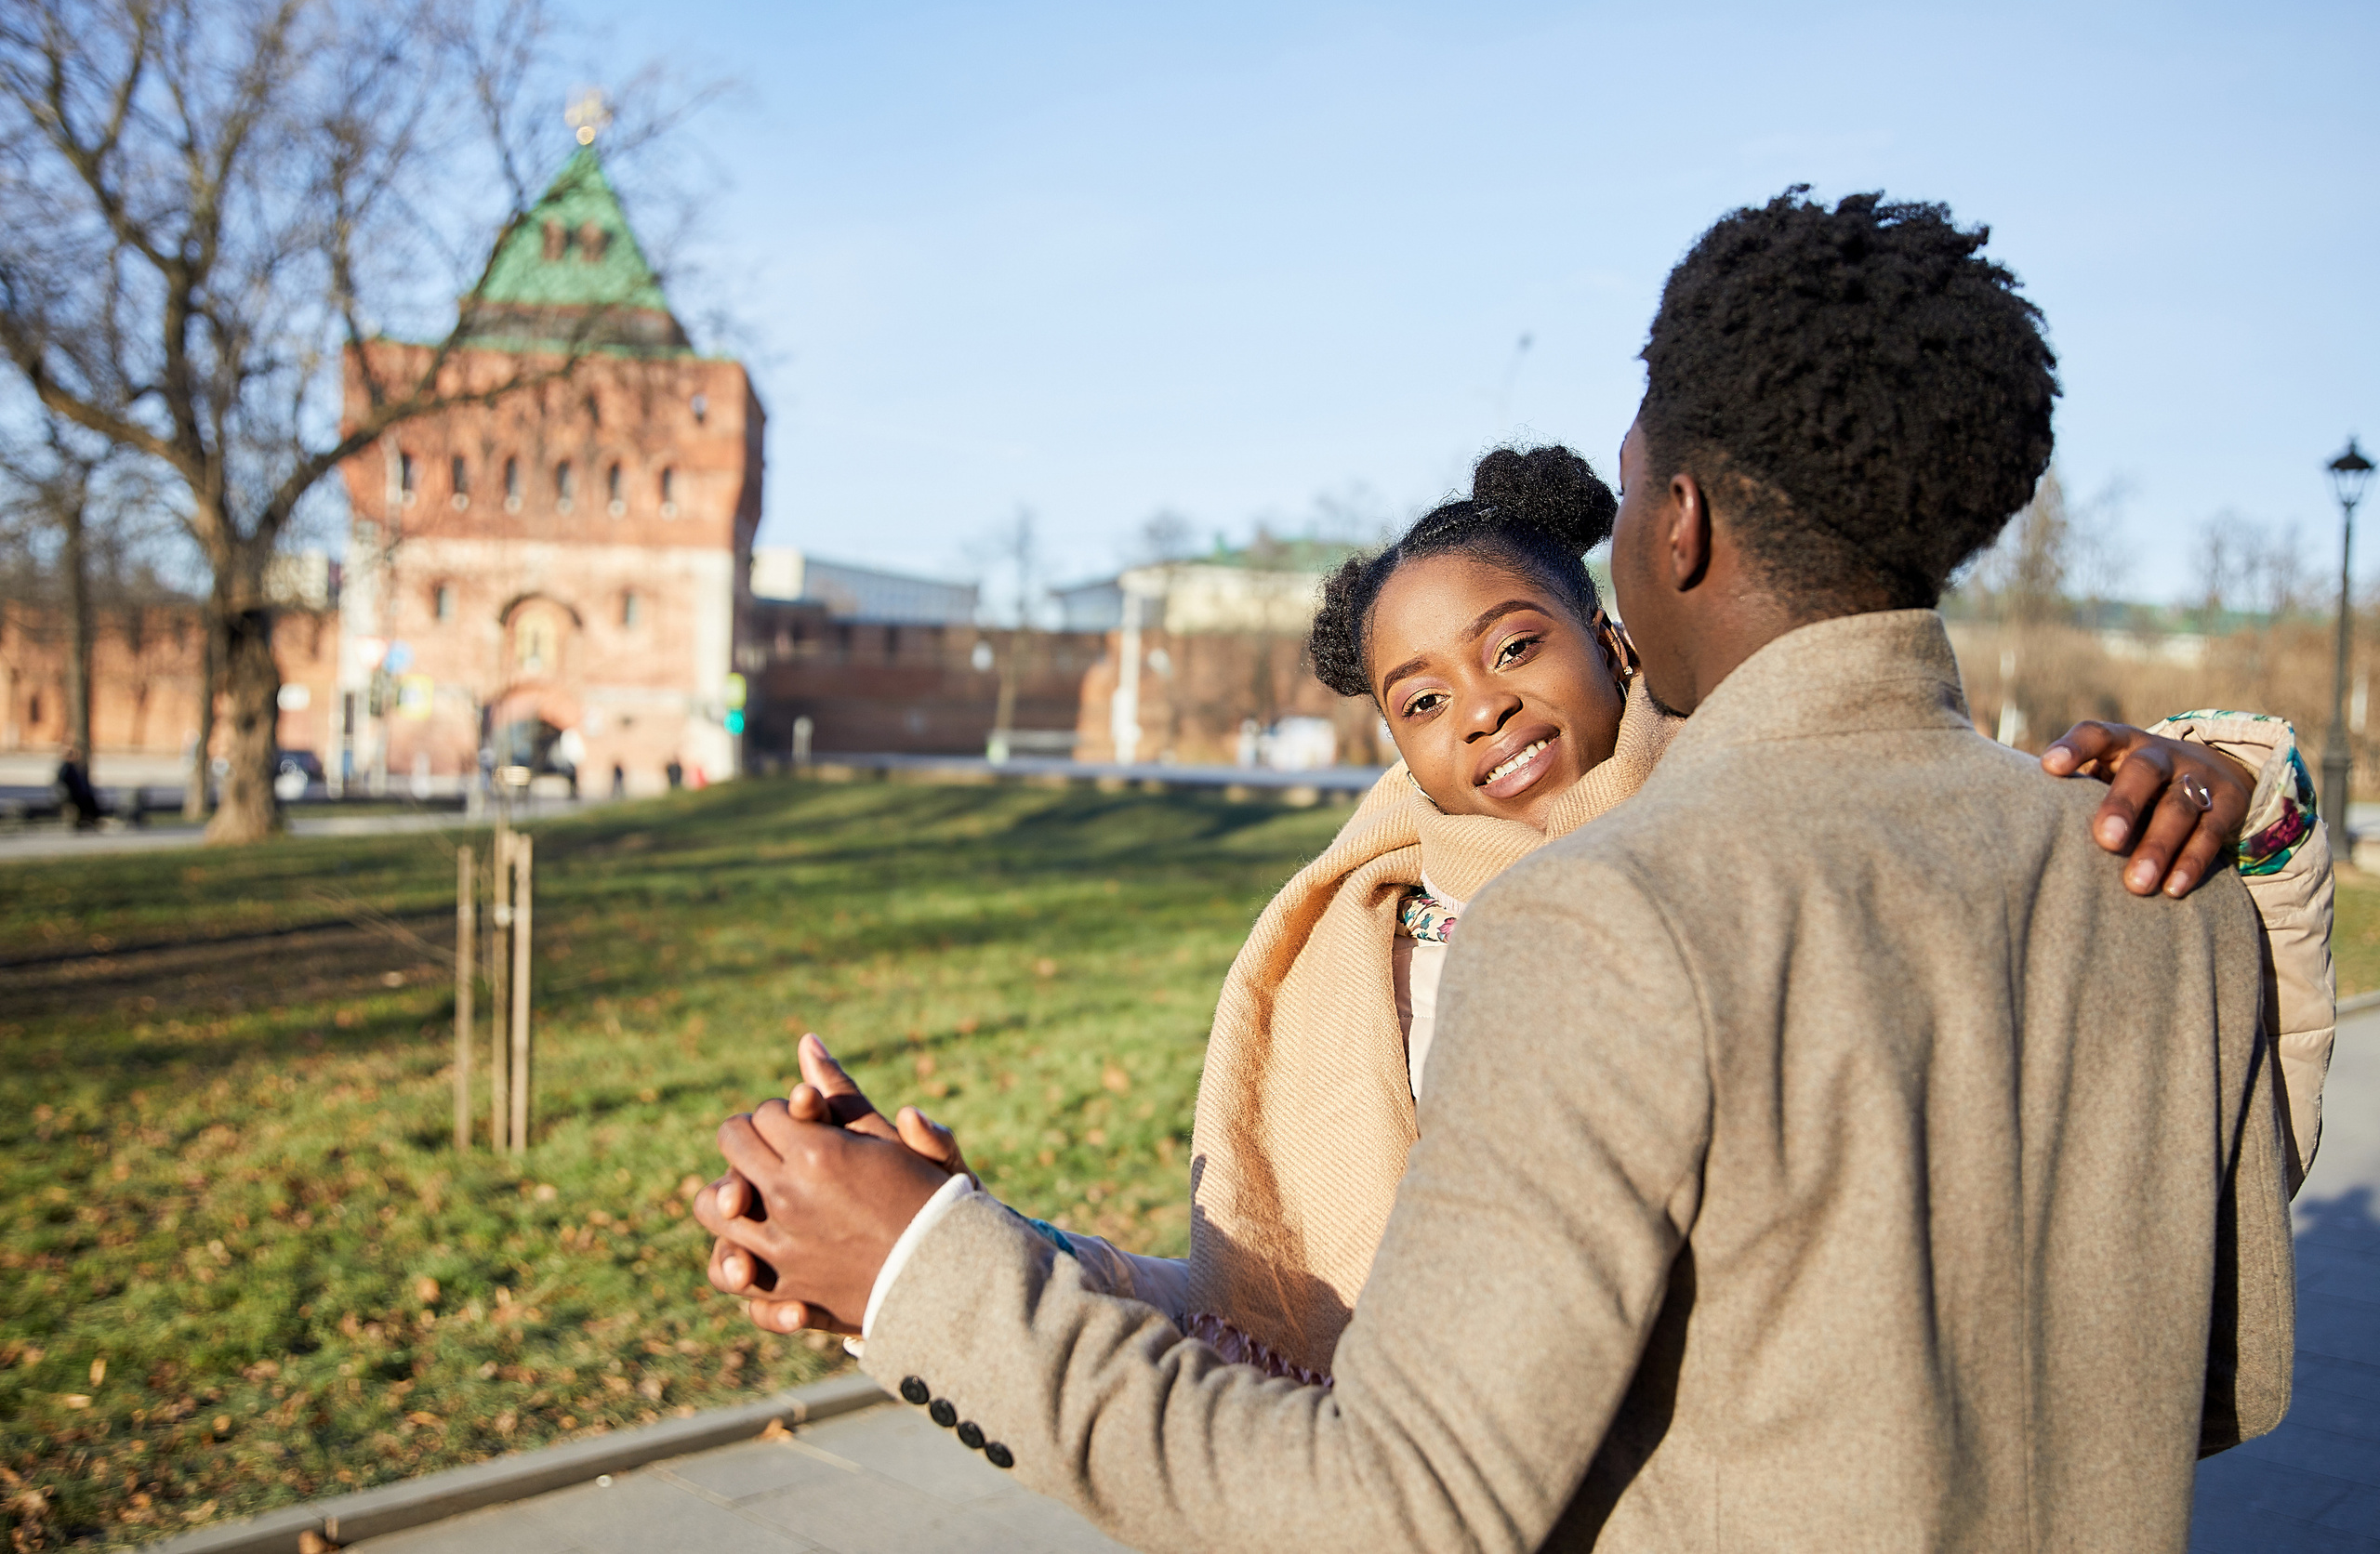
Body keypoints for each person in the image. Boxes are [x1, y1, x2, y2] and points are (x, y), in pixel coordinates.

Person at [696, 191, 2304, 1549]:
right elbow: (2224, 1373)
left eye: (1629, 476)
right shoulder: (2156, 870)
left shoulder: (1608, 919)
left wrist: (926, 1274)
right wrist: (978, 1238)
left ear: (1675, 527)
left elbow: (1400, 1508)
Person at [707, 446, 2333, 1381]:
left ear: (1610, 638)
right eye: (1420, 696)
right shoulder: (1369, 949)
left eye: (1511, 644)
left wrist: (2232, 792)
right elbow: (1255, 1313)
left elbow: (2158, 1121)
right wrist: (946, 1236)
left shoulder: (1789, 838)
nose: (1477, 705)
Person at [56, 745, 102, 829]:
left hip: (77, 793)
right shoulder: (66, 768)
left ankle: (90, 820)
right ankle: (89, 820)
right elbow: (64, 783)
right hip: (71, 794)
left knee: (90, 800)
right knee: (86, 801)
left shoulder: (73, 767)